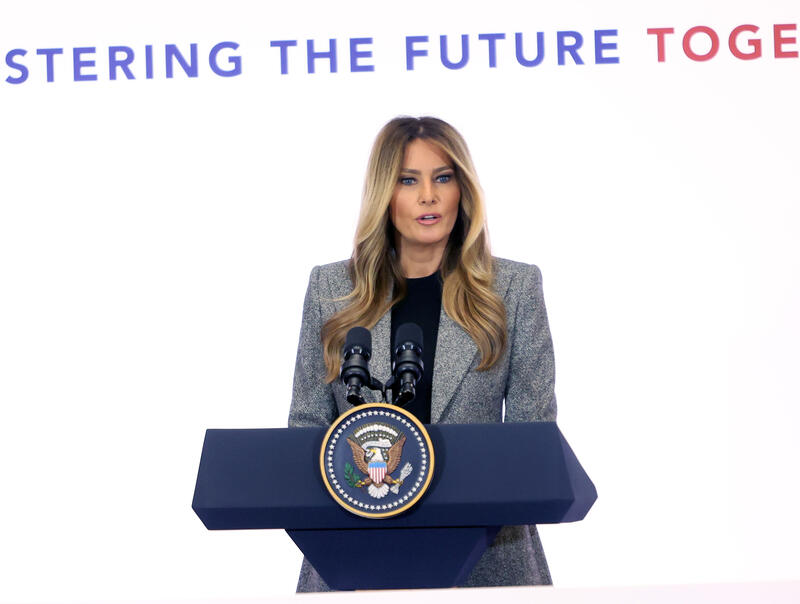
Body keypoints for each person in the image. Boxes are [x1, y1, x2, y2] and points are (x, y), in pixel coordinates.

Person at [288, 116, 557, 591]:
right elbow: (306, 430)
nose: (428, 196)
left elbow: (532, 439)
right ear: (384, 193)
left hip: (487, 561)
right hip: (354, 556)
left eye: (443, 178)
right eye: (408, 180)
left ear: (462, 190)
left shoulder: (512, 289)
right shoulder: (332, 290)